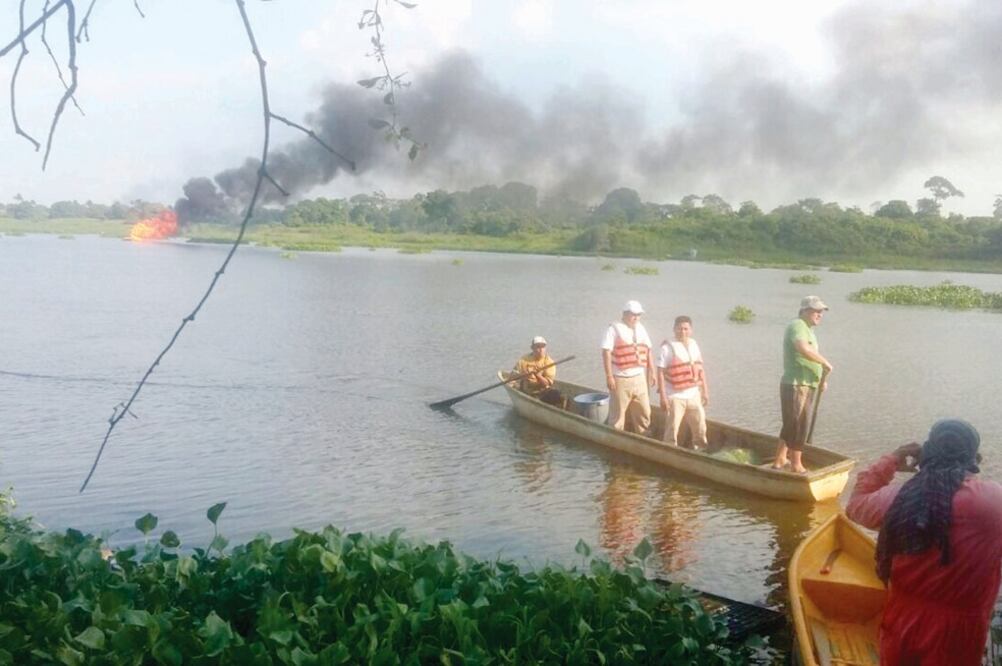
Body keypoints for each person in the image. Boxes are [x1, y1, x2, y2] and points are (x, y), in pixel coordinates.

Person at [846, 420, 1002, 665]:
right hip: (960, 632)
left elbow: (855, 505)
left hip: (901, 621)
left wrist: (893, 459)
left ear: (926, 453)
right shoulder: (993, 502)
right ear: (975, 459)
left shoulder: (902, 497)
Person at [772, 295, 833, 473]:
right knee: (799, 424)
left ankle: (780, 459)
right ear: (805, 311)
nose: (820, 314)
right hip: (797, 384)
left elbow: (809, 356)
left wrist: (821, 380)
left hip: (807, 383)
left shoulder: (808, 330)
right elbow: (802, 348)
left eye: (821, 311)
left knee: (791, 423)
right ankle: (796, 464)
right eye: (816, 311)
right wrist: (824, 362)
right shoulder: (797, 325)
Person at [656, 315, 709, 448]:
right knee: (672, 427)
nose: (683, 332)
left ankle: (700, 449)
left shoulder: (694, 344)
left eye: (686, 329)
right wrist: (663, 397)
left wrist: (705, 391)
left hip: (693, 394)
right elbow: (660, 372)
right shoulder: (667, 348)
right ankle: (669, 448)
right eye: (680, 329)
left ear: (691, 330)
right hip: (675, 396)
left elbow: (700, 370)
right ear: (674, 329)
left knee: (700, 425)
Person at [601, 300, 654, 433]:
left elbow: (648, 350)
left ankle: (643, 435)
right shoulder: (613, 329)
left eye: (638, 315)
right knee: (618, 414)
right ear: (625, 314)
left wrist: (652, 371)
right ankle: (616, 436)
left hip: (639, 377)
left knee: (644, 410)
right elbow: (606, 352)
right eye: (633, 314)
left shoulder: (641, 328)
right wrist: (609, 376)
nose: (636, 317)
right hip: (621, 378)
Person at [512, 336, 558, 400]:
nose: (541, 350)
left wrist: (538, 375)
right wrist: (523, 375)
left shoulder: (549, 362)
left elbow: (547, 383)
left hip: (542, 392)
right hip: (526, 390)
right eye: (538, 347)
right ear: (532, 348)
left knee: (556, 394)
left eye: (543, 347)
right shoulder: (524, 359)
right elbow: (513, 375)